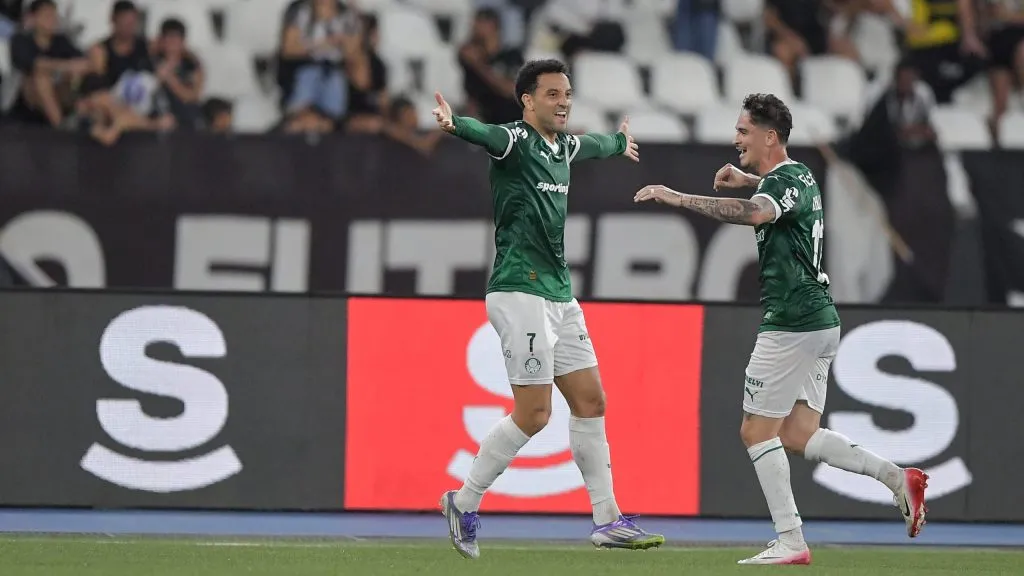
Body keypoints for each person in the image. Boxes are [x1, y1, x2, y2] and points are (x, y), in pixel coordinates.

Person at [632, 93, 929, 566]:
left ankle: (791, 539)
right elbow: (780, 196)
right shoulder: (801, 174)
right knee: (797, 433)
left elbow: (755, 213)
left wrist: (678, 197)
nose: (735, 139)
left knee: (755, 430)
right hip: (821, 321)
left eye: (744, 131)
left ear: (769, 136)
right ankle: (896, 478)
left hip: (791, 322)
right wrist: (749, 179)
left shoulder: (785, 181)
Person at [431, 59, 664, 560]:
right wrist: (456, 126)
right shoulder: (516, 140)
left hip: (559, 295)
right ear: (528, 101)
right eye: (553, 94)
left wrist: (620, 143)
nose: (564, 102)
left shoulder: (564, 145)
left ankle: (607, 520)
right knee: (534, 413)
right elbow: (485, 135)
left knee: (590, 400)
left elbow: (594, 145)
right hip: (519, 292)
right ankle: (464, 501)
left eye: (568, 94)